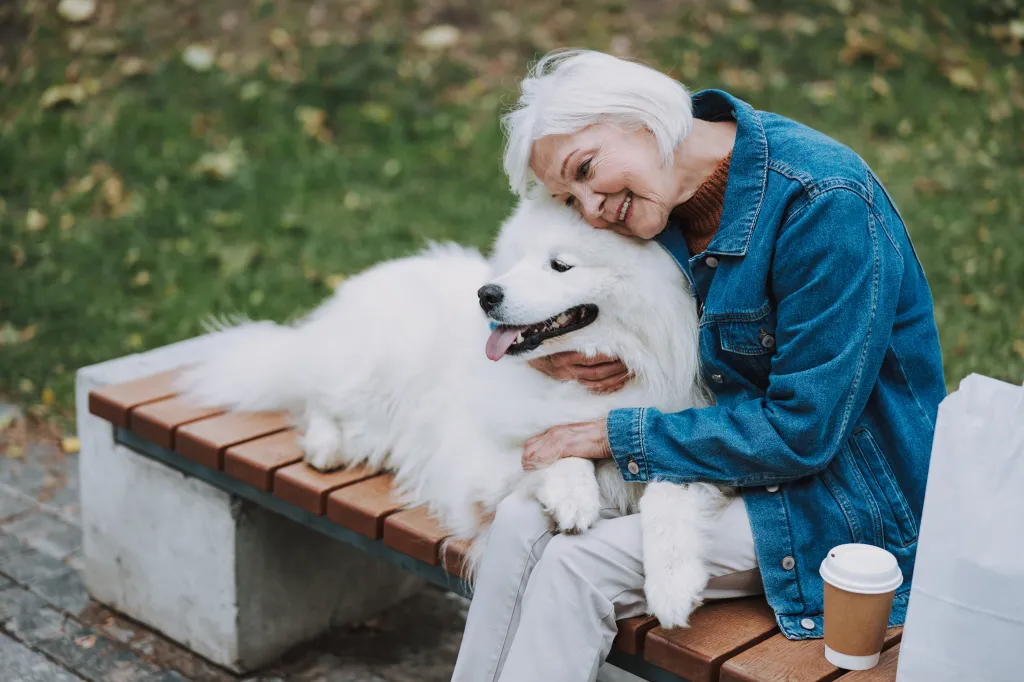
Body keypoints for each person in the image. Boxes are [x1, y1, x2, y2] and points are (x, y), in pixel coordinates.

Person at [451, 49, 945, 682]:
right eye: (568, 198)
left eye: (586, 169)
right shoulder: (657, 199)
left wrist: (614, 435)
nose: (593, 208)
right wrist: (555, 355)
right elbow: (578, 294)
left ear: (643, 116)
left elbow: (803, 432)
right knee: (522, 518)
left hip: (835, 497)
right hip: (725, 464)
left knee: (577, 565)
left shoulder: (823, 204)